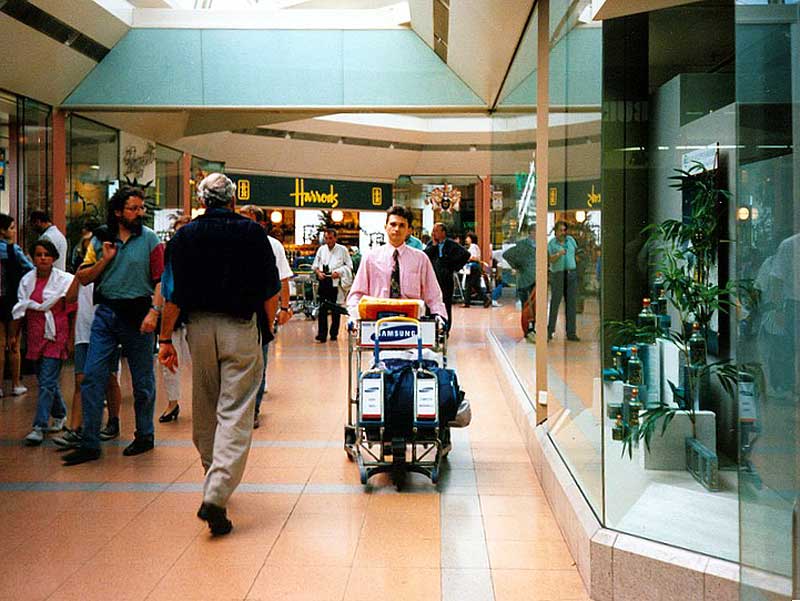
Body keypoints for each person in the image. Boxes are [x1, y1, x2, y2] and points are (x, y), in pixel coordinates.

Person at [158, 173, 280, 536]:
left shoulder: (183, 237)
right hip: (239, 328)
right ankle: (216, 491)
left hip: (198, 328)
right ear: (232, 200)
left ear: (202, 200)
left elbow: (172, 294)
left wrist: (166, 339)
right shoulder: (253, 233)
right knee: (236, 409)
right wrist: (268, 328)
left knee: (206, 403)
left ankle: (212, 472)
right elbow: (269, 290)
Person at [61, 185, 165, 466]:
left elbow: (160, 280)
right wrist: (105, 261)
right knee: (92, 376)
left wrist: (154, 312)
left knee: (142, 382)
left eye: (141, 208)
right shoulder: (101, 240)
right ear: (118, 212)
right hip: (106, 313)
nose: (139, 213)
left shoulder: (151, 240)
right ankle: (90, 443)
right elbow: (83, 277)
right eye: (133, 208)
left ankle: (145, 435)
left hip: (139, 313)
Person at [12, 239, 78, 445]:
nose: (43, 258)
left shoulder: (64, 281)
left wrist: (70, 339)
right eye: (39, 254)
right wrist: (14, 337)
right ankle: (59, 413)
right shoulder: (26, 281)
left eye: (47, 255)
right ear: (33, 257)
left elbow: (71, 311)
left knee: (48, 380)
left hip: (56, 335)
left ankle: (39, 426)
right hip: (35, 335)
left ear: (54, 258)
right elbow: (20, 310)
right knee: (45, 381)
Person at [240, 205, 294, 428]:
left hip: (263, 312)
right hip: (236, 312)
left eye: (249, 220)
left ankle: (254, 408)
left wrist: (284, 307)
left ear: (261, 224)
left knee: (258, 362)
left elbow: (283, 279)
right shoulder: (233, 243)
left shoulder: (273, 246)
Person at [347, 205, 446, 322]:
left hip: (412, 323)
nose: (397, 229)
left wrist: (439, 316)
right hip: (376, 323)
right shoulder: (370, 258)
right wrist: (353, 316)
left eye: (402, 225)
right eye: (393, 224)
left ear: (409, 230)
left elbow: (433, 294)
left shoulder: (420, 259)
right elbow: (357, 293)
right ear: (385, 227)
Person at [158, 215, 193, 424]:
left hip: (195, 316)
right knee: (169, 363)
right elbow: (163, 283)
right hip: (173, 316)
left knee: (197, 362)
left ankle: (205, 402)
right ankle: (172, 402)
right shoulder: (169, 253)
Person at [0, 213, 33, 397]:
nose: (13, 231)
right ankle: (15, 384)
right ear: (3, 230)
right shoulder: (14, 250)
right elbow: (31, 269)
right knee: (14, 344)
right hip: (13, 302)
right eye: (11, 228)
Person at [424, 222, 470, 332]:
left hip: (446, 278)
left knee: (446, 303)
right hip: (433, 277)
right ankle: (432, 328)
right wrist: (434, 246)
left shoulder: (450, 244)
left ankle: (446, 328)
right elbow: (425, 256)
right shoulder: (431, 244)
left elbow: (466, 255)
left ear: (443, 232)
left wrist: (454, 266)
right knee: (431, 303)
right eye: (433, 231)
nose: (433, 233)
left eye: (436, 231)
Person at [312, 228, 352, 343]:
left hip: (335, 282)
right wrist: (319, 273)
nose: (328, 240)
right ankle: (322, 334)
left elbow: (349, 266)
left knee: (335, 310)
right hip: (324, 281)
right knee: (323, 309)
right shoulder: (321, 250)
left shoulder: (342, 250)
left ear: (335, 238)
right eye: (326, 238)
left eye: (330, 238)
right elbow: (315, 265)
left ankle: (334, 333)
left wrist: (339, 272)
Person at [547, 220, 580, 341]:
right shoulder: (551, 244)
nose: (563, 232)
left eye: (564, 230)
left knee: (571, 304)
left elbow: (575, 253)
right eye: (560, 230)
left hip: (571, 274)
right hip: (558, 275)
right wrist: (559, 254)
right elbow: (550, 259)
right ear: (555, 231)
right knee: (555, 303)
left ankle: (571, 332)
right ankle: (550, 331)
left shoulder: (571, 240)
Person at [503, 226, 537, 340]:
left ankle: (533, 328)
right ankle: (527, 330)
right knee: (526, 306)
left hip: (535, 279)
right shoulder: (523, 244)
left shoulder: (539, 245)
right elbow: (507, 254)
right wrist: (516, 266)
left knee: (535, 306)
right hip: (525, 280)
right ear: (531, 232)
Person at [463, 232, 491, 308]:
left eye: (468, 238)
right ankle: (485, 299)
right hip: (475, 267)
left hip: (473, 267)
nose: (466, 239)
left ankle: (467, 302)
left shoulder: (473, 246)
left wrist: (466, 258)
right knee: (475, 285)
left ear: (471, 239)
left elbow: (474, 257)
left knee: (469, 284)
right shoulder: (474, 247)